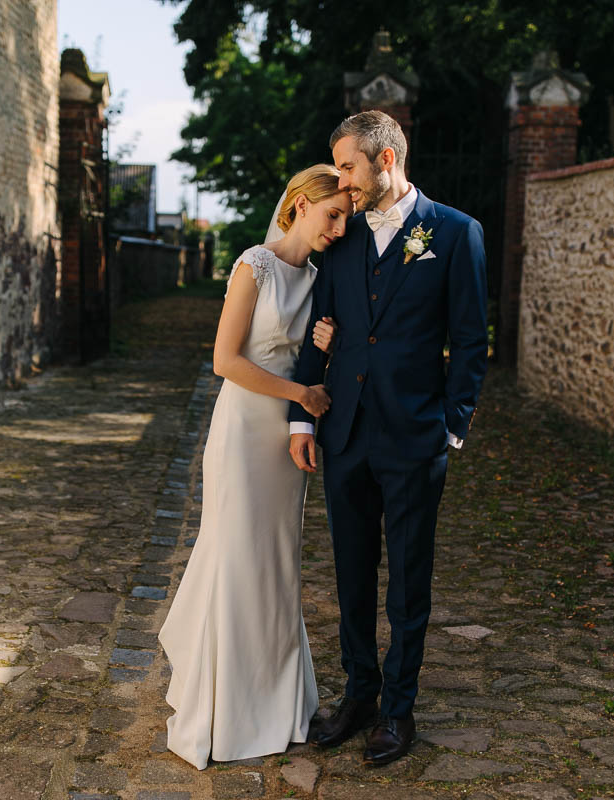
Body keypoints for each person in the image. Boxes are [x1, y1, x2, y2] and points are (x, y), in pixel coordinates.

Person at [288, 111, 488, 766]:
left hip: (414, 438)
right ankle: (360, 693)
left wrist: (451, 427)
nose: (340, 181)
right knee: (349, 575)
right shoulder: (340, 240)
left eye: (347, 166)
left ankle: (399, 709)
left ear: (386, 159)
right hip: (343, 432)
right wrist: (302, 414)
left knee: (408, 582)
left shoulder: (455, 234)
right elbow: (322, 324)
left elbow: (471, 339)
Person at [159, 164, 353, 770]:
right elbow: (225, 361)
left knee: (277, 562)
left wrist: (326, 349)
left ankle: (278, 701)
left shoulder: (323, 278)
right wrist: (301, 397)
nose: (341, 227)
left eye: (347, 217)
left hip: (286, 443)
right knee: (236, 554)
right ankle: (222, 705)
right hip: (244, 429)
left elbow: (311, 360)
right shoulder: (254, 264)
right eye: (333, 214)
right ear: (299, 205)